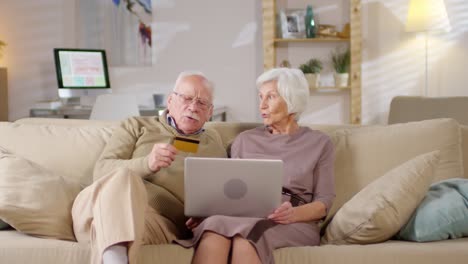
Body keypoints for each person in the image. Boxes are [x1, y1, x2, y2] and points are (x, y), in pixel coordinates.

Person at [177, 68, 336, 264]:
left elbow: (324, 202)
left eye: (271, 97)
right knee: (214, 226)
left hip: (293, 220)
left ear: (292, 100)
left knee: (247, 237)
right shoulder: (245, 140)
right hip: (244, 214)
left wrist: (292, 214)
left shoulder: (319, 143)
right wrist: (206, 212)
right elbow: (229, 191)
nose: (262, 105)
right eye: (261, 97)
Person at [71, 71, 227, 264]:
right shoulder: (136, 126)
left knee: (110, 226)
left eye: (202, 103)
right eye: (187, 98)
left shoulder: (213, 145)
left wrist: (205, 214)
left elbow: (223, 195)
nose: (193, 107)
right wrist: (147, 164)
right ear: (170, 100)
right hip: (97, 204)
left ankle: (115, 256)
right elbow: (101, 171)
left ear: (210, 112)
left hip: (158, 223)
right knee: (124, 178)